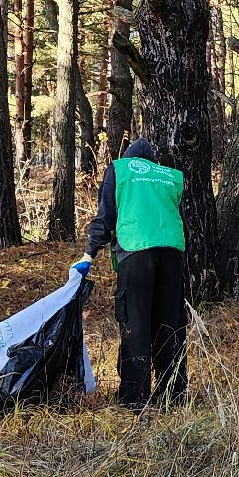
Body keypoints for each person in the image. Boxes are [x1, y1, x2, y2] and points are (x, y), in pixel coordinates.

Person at [76, 137, 188, 408]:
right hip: (172, 254)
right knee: (170, 325)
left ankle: (134, 399)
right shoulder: (170, 176)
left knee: (135, 323)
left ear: (128, 157)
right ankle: (173, 396)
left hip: (136, 253)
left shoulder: (120, 169)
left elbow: (106, 216)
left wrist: (89, 253)